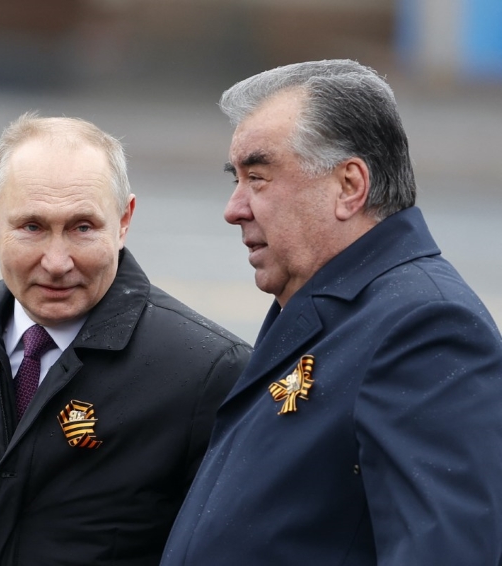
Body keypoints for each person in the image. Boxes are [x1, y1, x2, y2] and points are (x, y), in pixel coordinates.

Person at [0, 112, 251, 566]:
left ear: (124, 220)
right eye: (32, 227)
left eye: (82, 227)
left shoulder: (206, 371)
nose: (57, 261)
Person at [161, 59, 502, 565]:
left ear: (349, 186)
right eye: (237, 179)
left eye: (258, 177)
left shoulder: (426, 327)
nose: (234, 208)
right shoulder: (335, 301)